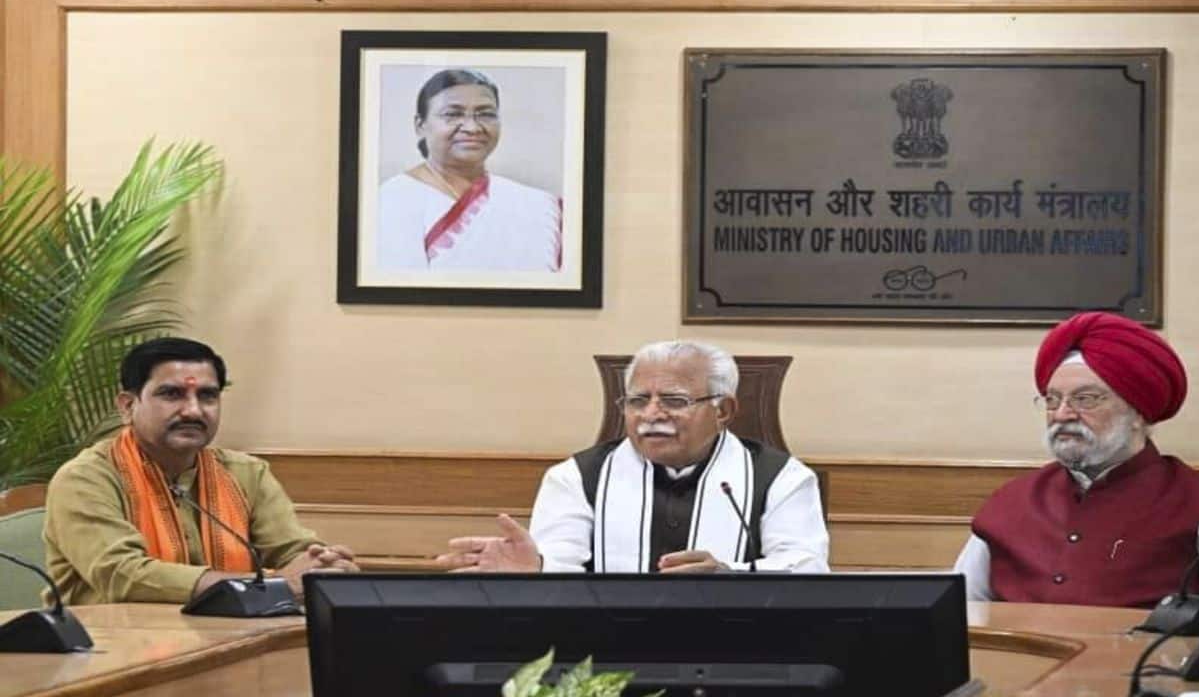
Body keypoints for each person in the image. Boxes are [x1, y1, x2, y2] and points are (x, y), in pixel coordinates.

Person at [954, 312, 1199, 624]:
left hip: (1146, 678)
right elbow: (956, 608)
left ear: (1138, 412)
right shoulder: (1010, 503)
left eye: (1087, 399)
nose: (1062, 414)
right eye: (1052, 400)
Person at [434, 341, 829, 573]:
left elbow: (808, 569)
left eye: (674, 401)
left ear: (723, 411)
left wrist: (730, 574)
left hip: (739, 655)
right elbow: (560, 565)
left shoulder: (781, 478)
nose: (652, 414)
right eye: (639, 400)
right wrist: (536, 568)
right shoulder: (576, 477)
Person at [43, 337, 359, 604]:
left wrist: (323, 566)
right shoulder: (87, 478)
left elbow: (291, 550)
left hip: (229, 641)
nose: (193, 410)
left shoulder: (246, 473)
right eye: (171, 394)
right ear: (127, 406)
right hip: (107, 653)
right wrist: (268, 587)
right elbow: (123, 575)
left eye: (207, 396)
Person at [377, 68, 562, 272]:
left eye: (486, 114)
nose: (472, 128)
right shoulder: (392, 200)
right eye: (453, 114)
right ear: (420, 126)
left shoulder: (538, 206)